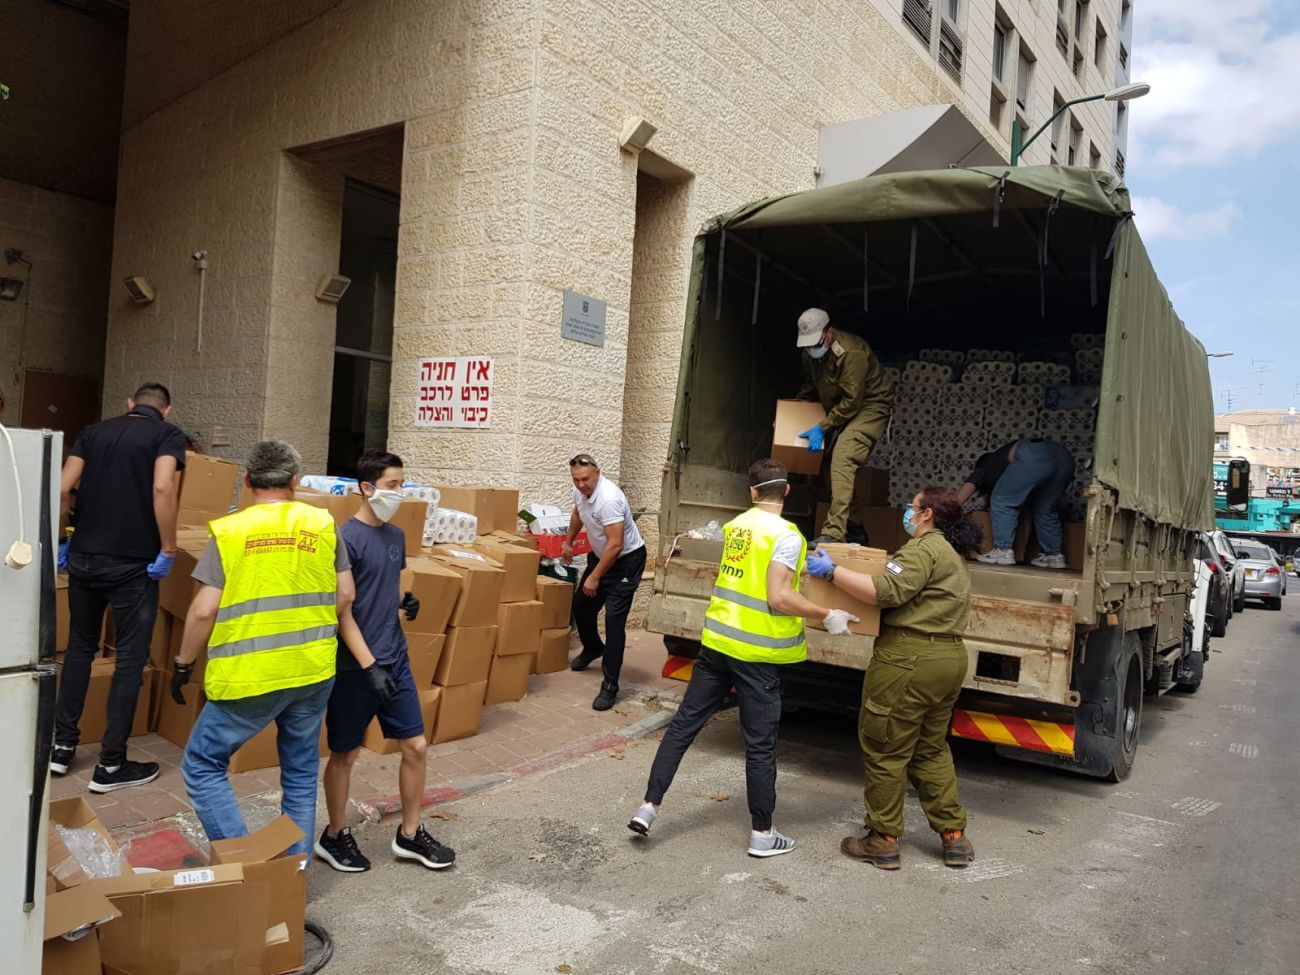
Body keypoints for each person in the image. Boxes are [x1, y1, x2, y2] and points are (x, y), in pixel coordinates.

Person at [170, 440, 391, 859]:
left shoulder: (232, 531)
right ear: (294, 481)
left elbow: (203, 610)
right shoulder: (322, 523)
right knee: (301, 775)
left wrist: (183, 663)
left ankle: (245, 870)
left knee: (202, 765)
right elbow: (346, 594)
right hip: (312, 670)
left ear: (247, 481)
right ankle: (292, 876)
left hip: (249, 677)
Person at [628, 459, 857, 858]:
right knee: (760, 745)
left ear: (752, 492)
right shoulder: (787, 536)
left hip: (717, 643)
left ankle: (648, 807)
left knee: (683, 727)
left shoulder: (736, 528)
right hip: (756, 654)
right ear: (787, 491)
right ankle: (763, 834)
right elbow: (778, 596)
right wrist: (826, 614)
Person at [806, 486, 982, 871]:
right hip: (948, 657)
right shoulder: (953, 553)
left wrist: (832, 572)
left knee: (885, 747)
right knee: (930, 749)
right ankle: (953, 836)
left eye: (911, 507)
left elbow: (884, 592)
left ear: (927, 514)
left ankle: (882, 839)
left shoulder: (922, 550)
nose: (907, 512)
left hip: (908, 659)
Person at [316, 450, 456, 873]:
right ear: (367, 487)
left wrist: (402, 602)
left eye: (402, 483)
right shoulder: (345, 539)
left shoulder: (395, 536)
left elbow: (385, 586)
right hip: (355, 668)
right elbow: (342, 612)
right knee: (345, 755)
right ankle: (334, 835)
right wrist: (368, 665)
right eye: (393, 484)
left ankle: (410, 834)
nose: (400, 491)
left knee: (415, 746)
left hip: (395, 659)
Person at [51, 382, 187, 792]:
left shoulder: (93, 432)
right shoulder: (167, 434)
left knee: (80, 647)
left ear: (130, 404)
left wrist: (63, 538)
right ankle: (111, 765)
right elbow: (162, 486)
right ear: (166, 409)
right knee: (129, 659)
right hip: (132, 564)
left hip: (84, 557)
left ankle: (61, 747)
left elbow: (62, 487)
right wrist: (168, 547)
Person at [794, 308, 894, 545]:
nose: (811, 349)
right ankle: (855, 528)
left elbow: (852, 401)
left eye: (815, 343)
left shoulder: (851, 353)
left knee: (843, 455)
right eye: (807, 345)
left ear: (828, 332)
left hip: (869, 405)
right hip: (840, 407)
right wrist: (792, 415)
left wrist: (822, 426)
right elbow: (809, 386)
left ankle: (834, 533)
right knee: (828, 467)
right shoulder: (809, 354)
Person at [563, 454, 647, 712]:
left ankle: (610, 685)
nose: (581, 485)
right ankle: (592, 648)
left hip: (625, 561)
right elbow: (578, 513)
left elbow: (616, 544)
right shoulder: (581, 492)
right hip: (602, 556)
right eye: (576, 480)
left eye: (586, 479)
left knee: (614, 621)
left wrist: (595, 576)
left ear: (597, 473)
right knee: (581, 606)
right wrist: (568, 541)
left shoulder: (609, 499)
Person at [957, 438, 1074, 568]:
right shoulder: (1006, 461)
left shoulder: (987, 466)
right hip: (1064, 457)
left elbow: (960, 498)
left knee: (1002, 500)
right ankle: (1054, 556)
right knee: (1044, 508)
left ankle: (1002, 551)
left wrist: (947, 513)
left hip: (1035, 454)